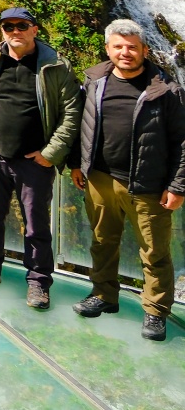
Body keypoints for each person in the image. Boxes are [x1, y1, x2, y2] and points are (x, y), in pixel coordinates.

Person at [68, 18, 185, 341]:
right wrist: (77, 163)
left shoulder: (166, 90)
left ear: (145, 50)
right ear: (108, 49)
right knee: (103, 242)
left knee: (154, 251)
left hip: (148, 184)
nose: (125, 52)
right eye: (118, 46)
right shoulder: (93, 82)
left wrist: (177, 186)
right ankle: (104, 295)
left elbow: (182, 141)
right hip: (100, 178)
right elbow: (82, 125)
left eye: (132, 47)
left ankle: (156, 311)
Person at [0, 6, 81, 309]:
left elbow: (71, 112)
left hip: (35, 162)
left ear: (34, 29)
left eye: (21, 26)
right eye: (8, 27)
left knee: (36, 224)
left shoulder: (55, 65)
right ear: (1, 30)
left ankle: (39, 282)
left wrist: (50, 153)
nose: (14, 32)